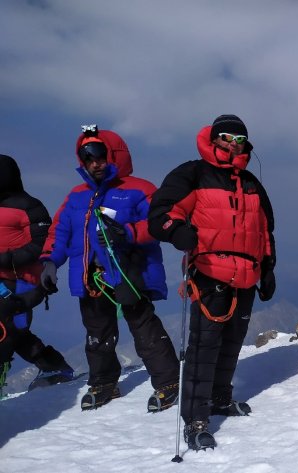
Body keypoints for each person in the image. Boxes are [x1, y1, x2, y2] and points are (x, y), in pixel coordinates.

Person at [148, 114, 276, 451]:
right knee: (204, 347)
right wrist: (177, 232)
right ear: (213, 138)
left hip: (247, 275)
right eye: (226, 137)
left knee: (232, 341)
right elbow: (160, 213)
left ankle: (220, 398)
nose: (232, 144)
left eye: (239, 139)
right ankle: (195, 418)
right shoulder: (193, 174)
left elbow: (264, 230)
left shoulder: (251, 183)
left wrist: (269, 268)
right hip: (209, 272)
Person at [39, 126, 179, 412]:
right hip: (91, 277)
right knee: (97, 332)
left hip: (130, 272)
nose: (94, 163)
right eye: (87, 158)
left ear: (114, 155)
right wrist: (50, 262)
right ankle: (103, 383)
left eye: (100, 156)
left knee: (144, 329)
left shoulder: (139, 190)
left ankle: (168, 382)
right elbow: (60, 232)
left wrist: (128, 232)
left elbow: (159, 224)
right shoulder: (77, 196)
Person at [0, 154, 75, 391]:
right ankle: (55, 366)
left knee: (8, 330)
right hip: (3, 280)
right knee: (13, 331)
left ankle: (53, 367)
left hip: (26, 280)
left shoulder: (30, 206)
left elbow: (41, 244)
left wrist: (6, 260)